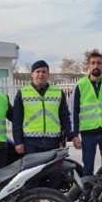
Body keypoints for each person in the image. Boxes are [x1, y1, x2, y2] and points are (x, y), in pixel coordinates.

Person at [12, 60, 72, 189]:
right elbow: (16, 119)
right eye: (37, 71)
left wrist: (68, 136)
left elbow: (64, 116)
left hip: (53, 142)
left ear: (48, 74)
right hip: (31, 142)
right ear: (32, 74)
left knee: (55, 175)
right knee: (32, 177)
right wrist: (18, 141)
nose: (41, 74)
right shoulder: (22, 93)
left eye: (44, 71)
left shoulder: (57, 92)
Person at [69, 51, 102, 178]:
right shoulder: (80, 85)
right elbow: (73, 112)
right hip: (88, 134)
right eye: (93, 63)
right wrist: (75, 135)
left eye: (99, 63)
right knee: (88, 168)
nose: (96, 65)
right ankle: (88, 196)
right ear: (88, 66)